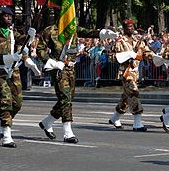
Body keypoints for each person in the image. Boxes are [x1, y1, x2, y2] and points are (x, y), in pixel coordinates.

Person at [37, 12, 115, 142]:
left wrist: (104, 33)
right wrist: (50, 62)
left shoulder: (73, 29)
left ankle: (47, 122)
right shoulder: (50, 30)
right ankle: (67, 132)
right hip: (58, 68)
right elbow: (40, 49)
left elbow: (89, 33)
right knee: (66, 98)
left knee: (67, 99)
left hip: (71, 68)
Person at [0, 6, 38, 148]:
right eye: (6, 16)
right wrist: (10, 57)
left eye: (11, 16)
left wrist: (30, 36)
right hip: (1, 71)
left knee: (17, 103)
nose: (9, 18)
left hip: (14, 72)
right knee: (5, 103)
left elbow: (22, 42)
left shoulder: (13, 33)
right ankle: (7, 134)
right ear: (0, 18)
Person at [107, 19, 153, 131]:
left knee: (126, 98)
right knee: (134, 93)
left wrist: (157, 58)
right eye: (128, 27)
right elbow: (111, 56)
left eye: (132, 27)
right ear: (124, 29)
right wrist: (127, 55)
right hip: (126, 72)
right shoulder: (119, 41)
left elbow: (146, 53)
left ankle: (115, 117)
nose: (131, 29)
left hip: (135, 72)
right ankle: (137, 123)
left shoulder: (138, 40)